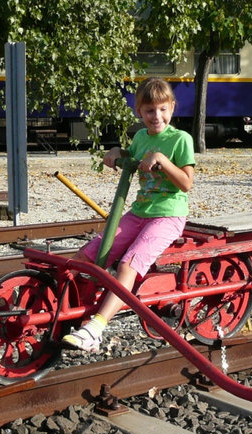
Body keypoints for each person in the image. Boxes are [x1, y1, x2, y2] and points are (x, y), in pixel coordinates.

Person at [62, 77, 195, 352]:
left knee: (128, 265)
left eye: (162, 109)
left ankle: (96, 327)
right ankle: (68, 314)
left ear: (172, 108)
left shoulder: (180, 139)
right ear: (139, 112)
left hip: (168, 216)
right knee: (86, 257)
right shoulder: (140, 137)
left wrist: (162, 159)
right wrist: (115, 152)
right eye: (149, 111)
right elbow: (131, 155)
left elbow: (186, 182)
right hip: (139, 212)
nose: (156, 116)